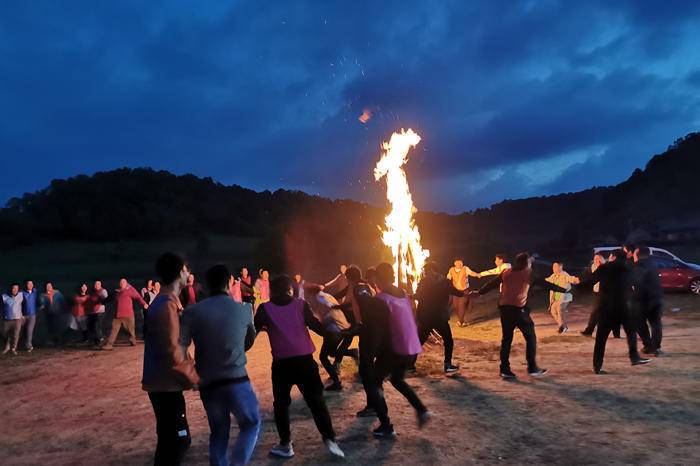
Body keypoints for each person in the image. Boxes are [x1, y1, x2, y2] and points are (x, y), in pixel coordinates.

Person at [253, 275, 344, 459]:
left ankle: (286, 445)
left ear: (272, 291)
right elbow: (317, 327)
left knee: (281, 406)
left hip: (282, 365)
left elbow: (251, 333)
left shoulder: (265, 309)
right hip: (305, 362)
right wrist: (338, 331)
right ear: (290, 289)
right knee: (317, 402)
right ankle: (330, 440)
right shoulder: (300, 305)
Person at [181, 264, 261, 466]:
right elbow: (249, 340)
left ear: (206, 287)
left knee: (218, 431)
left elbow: (179, 346)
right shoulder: (244, 309)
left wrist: (191, 373)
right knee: (251, 423)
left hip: (208, 382)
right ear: (230, 283)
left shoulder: (193, 312)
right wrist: (236, 349)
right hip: (236, 379)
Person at [142, 252, 200, 466]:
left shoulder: (167, 302)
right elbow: (173, 349)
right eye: (186, 268)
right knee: (178, 441)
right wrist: (195, 378)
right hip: (165, 385)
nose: (189, 272)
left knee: (169, 440)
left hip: (165, 384)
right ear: (179, 273)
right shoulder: (167, 305)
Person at [475, 252, 567, 379]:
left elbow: (492, 283)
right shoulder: (528, 273)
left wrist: (479, 292)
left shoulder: (506, 272)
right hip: (519, 310)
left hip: (504, 309)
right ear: (527, 263)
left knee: (506, 340)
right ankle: (532, 367)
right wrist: (563, 289)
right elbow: (545, 284)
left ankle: (505, 369)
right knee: (530, 338)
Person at [367, 263, 430, 438]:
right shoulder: (402, 294)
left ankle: (386, 425)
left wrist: (372, 350)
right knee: (397, 379)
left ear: (377, 278)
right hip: (410, 346)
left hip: (394, 348)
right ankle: (422, 410)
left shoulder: (381, 299)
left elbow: (379, 328)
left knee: (372, 382)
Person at [582, 249, 650, 374]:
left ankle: (597, 366)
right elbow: (635, 282)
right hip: (623, 307)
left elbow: (589, 281)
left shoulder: (604, 267)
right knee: (631, 333)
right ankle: (634, 357)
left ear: (613, 256)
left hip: (606, 307)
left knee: (601, 338)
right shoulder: (628, 268)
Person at [412, 261, 465, 374]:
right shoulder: (445, 282)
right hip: (439, 315)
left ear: (430, 270)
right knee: (448, 340)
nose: (425, 273)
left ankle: (410, 365)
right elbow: (456, 292)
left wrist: (408, 296)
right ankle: (447, 364)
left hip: (426, 316)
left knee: (419, 341)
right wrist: (466, 294)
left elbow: (418, 296)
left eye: (426, 270)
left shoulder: (424, 281)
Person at [307, 285, 357, 391]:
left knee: (323, 357)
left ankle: (336, 382)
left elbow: (331, 312)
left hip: (334, 329)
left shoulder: (319, 299)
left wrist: (322, 326)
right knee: (332, 352)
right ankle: (353, 353)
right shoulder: (326, 295)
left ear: (311, 294)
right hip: (340, 328)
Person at [633, 247, 664, 356]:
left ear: (637, 255)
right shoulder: (654, 264)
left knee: (639, 323)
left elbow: (637, 283)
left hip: (643, 300)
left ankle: (649, 346)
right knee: (656, 324)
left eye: (634, 254)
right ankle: (655, 347)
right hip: (657, 298)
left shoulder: (638, 266)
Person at [102, 278, 148, 350]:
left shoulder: (130, 290)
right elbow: (108, 299)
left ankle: (133, 340)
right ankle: (109, 344)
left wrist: (144, 304)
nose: (122, 283)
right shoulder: (116, 292)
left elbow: (138, 297)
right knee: (113, 330)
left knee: (130, 330)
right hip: (117, 315)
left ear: (126, 283)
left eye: (123, 282)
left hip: (128, 315)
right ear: (119, 284)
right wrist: (100, 303)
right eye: (121, 282)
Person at [545, 263, 580, 334]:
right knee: (553, 311)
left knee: (560, 308)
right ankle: (563, 326)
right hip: (556, 298)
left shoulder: (564, 275)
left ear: (560, 267)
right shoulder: (553, 276)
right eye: (553, 267)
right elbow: (546, 280)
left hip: (565, 297)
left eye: (555, 267)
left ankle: (562, 327)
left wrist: (577, 279)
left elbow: (571, 278)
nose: (553, 268)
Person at [447, 259, 478, 326]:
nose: (460, 264)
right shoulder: (451, 270)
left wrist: (478, 274)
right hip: (455, 291)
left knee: (462, 305)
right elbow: (448, 278)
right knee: (456, 306)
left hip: (465, 290)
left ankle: (460, 322)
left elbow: (472, 273)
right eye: (458, 262)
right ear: (455, 263)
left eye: (461, 262)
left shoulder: (465, 268)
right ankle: (462, 320)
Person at [581, 254, 606, 336]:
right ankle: (589, 330)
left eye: (598, 259)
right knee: (597, 312)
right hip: (596, 292)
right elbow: (591, 278)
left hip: (604, 293)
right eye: (595, 259)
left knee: (596, 312)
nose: (596, 260)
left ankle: (589, 330)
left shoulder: (605, 268)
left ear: (602, 260)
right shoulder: (592, 267)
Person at [39, 282, 69, 347]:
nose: (49, 287)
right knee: (51, 327)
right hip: (49, 314)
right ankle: (53, 341)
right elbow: (42, 304)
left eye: (50, 285)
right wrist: (42, 307)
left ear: (52, 286)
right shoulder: (43, 295)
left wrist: (65, 310)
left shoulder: (57, 293)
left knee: (58, 327)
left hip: (58, 313)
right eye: (47, 286)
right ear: (45, 287)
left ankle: (60, 341)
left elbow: (62, 301)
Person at [2, 284, 24, 355]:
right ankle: (7, 347)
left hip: (17, 319)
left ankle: (13, 349)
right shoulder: (4, 297)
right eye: (13, 288)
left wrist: (22, 315)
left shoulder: (21, 295)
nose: (14, 290)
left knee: (16, 335)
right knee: (5, 334)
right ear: (10, 289)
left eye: (16, 288)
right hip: (7, 319)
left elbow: (25, 304)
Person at [87, 280, 108, 347]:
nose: (96, 285)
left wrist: (99, 301)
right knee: (92, 326)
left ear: (100, 285)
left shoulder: (103, 291)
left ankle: (101, 339)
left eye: (98, 284)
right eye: (95, 284)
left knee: (97, 326)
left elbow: (106, 300)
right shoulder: (92, 292)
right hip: (92, 312)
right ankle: (96, 341)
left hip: (100, 311)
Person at [21, 280, 38, 352]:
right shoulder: (22, 293)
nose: (30, 285)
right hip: (23, 315)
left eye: (31, 284)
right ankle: (14, 345)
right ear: (25, 285)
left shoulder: (35, 291)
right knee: (20, 331)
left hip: (32, 315)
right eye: (28, 284)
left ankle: (28, 346)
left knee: (29, 331)